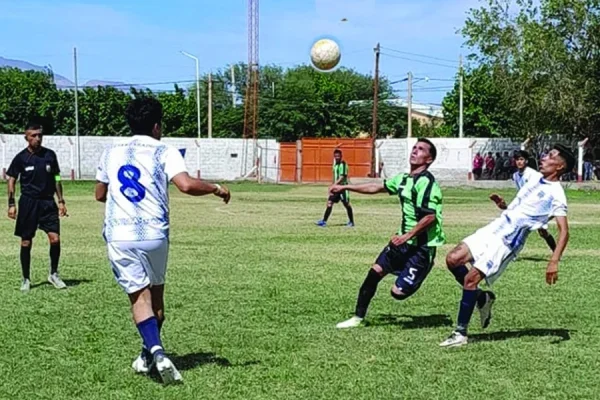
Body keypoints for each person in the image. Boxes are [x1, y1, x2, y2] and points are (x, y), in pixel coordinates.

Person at [95, 98, 231, 384]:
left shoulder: (110, 152)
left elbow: (99, 194)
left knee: (138, 297)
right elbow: (186, 185)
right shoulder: (164, 151)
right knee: (156, 300)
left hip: (120, 235)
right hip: (155, 234)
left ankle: (155, 352)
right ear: (157, 126)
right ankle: (149, 354)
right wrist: (217, 188)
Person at [440, 144, 574, 348]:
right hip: (495, 227)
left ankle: (460, 333)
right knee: (452, 259)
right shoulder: (532, 177)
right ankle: (482, 298)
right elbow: (521, 207)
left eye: (551, 156)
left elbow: (564, 231)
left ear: (560, 167)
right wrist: (503, 205)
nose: (545, 158)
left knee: (470, 279)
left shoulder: (557, 193)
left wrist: (554, 260)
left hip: (507, 241)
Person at [334, 139, 445, 329]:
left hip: (420, 247)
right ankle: (357, 318)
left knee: (397, 293)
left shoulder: (427, 183)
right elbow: (376, 187)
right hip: (401, 242)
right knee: (374, 273)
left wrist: (406, 236)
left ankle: (423, 267)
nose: (415, 151)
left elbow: (430, 218)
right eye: (414, 148)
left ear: (429, 159)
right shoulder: (403, 179)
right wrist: (345, 187)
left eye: (421, 149)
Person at [6, 121, 68, 292]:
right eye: (33, 135)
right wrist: (11, 204)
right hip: (28, 203)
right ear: (26, 137)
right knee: (26, 242)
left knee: (55, 239)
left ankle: (53, 274)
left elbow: (56, 177)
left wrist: (61, 200)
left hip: (48, 202)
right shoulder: (21, 158)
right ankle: (26, 278)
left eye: (40, 135)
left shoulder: (50, 155)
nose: (37, 138)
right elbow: (11, 179)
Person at [490, 150, 557, 253]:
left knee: (524, 228)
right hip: (528, 205)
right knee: (540, 231)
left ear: (526, 161)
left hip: (539, 205)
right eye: (517, 159)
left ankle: (508, 252)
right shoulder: (516, 175)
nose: (519, 162)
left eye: (521, 159)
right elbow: (521, 195)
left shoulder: (533, 175)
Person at [315, 149, 355, 227]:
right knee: (329, 203)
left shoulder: (343, 164)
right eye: (335, 156)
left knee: (346, 204)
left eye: (338, 156)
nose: (337, 157)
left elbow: (342, 177)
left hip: (343, 187)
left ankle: (351, 222)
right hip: (336, 188)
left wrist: (333, 185)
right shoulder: (335, 165)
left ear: (341, 156)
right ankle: (324, 221)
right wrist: (333, 185)